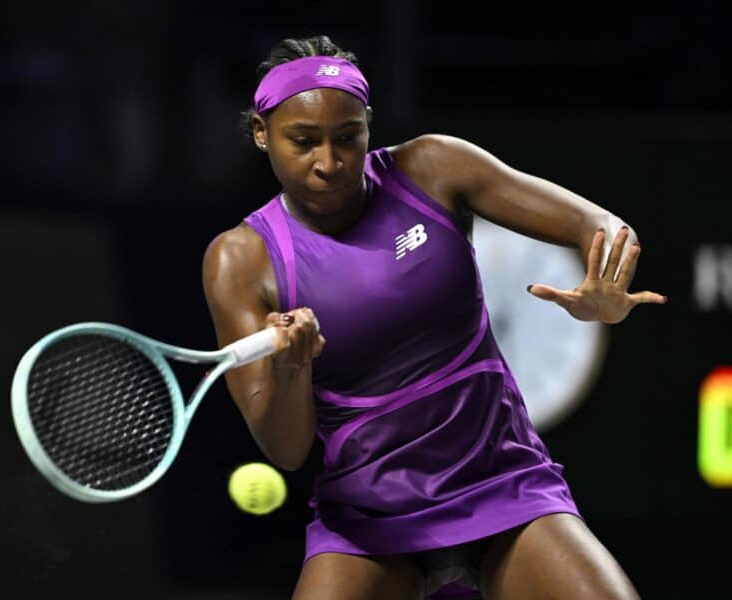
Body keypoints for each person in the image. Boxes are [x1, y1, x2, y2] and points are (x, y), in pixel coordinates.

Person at [202, 35, 665, 600]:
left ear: (369, 124)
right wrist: (292, 370)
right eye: (303, 141)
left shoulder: (432, 168)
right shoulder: (240, 260)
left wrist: (607, 285)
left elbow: (603, 226)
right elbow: (286, 448)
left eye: (348, 137)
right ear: (260, 132)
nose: (329, 162)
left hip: (503, 486)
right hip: (367, 526)